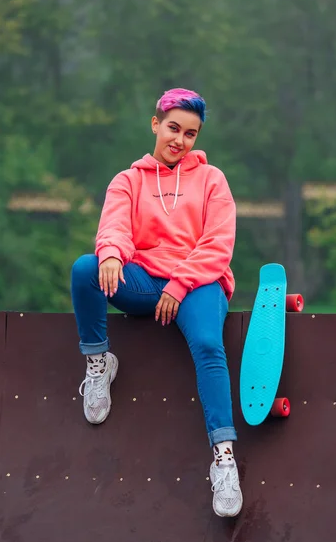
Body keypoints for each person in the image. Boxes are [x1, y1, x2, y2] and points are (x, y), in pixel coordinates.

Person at [71, 88, 243, 518]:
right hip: (147, 281)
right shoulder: (128, 181)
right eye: (173, 128)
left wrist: (181, 284)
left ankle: (224, 458)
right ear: (155, 123)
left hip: (198, 283)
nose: (179, 140)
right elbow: (114, 228)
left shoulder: (211, 179)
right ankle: (98, 364)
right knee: (85, 269)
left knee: (207, 344)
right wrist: (111, 255)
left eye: (190, 133)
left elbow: (217, 245)